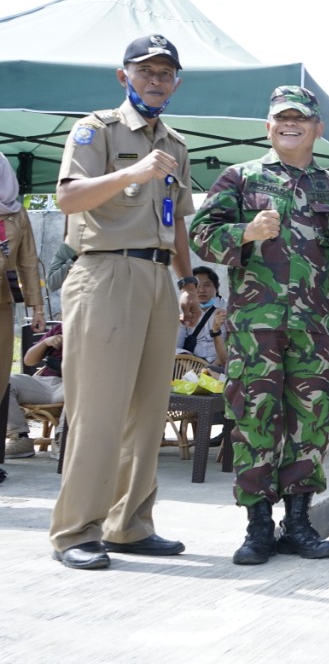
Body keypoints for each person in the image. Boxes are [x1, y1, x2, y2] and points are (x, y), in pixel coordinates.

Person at [190, 86, 329, 565]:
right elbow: (200, 235)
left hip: (315, 328)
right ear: (268, 126)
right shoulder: (239, 179)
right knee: (253, 419)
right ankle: (258, 527)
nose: (291, 124)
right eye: (282, 118)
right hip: (254, 328)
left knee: (311, 423)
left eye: (301, 118)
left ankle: (299, 523)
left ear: (317, 128)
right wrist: (244, 232)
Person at [49, 34, 199, 570]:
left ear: (176, 83)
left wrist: (186, 284)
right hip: (105, 272)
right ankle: (74, 531)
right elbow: (68, 197)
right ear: (124, 76)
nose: (156, 80)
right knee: (99, 409)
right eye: (146, 71)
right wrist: (132, 173)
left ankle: (129, 524)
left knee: (147, 411)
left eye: (165, 73)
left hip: (158, 279)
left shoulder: (176, 145)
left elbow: (176, 219)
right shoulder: (96, 131)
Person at [2, 154, 49, 463]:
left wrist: (37, 308)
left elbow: (28, 263)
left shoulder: (17, 215)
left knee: (0, 380)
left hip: (2, 303)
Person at [6, 323, 63, 459]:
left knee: (82, 390)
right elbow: (29, 361)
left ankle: (63, 439)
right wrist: (46, 342)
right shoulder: (60, 328)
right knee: (5, 382)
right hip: (44, 382)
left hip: (72, 384)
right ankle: (19, 438)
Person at [175, 266, 227, 371]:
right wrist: (191, 368)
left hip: (220, 365)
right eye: (196, 286)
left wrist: (210, 368)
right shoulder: (184, 311)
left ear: (216, 288)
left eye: (207, 285)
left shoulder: (228, 309)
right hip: (189, 365)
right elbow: (176, 347)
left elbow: (234, 347)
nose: (201, 290)